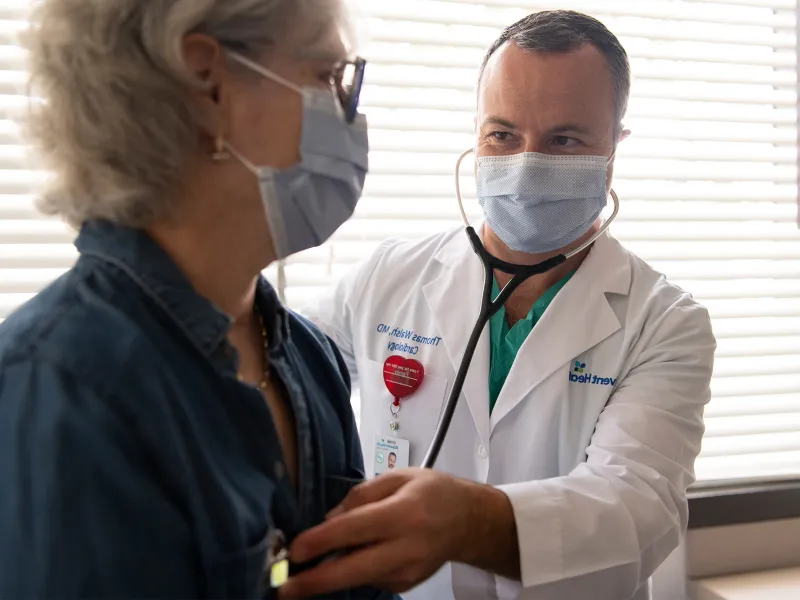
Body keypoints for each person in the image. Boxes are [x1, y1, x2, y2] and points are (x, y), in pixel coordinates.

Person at [289, 10, 716, 600]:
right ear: (477, 135)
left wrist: (469, 522)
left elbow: (636, 511)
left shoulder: (665, 323)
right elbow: (276, 381)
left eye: (565, 140)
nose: (525, 164)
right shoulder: (386, 278)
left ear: (614, 146)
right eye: (503, 135)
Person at [0, 1, 395, 599]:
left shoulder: (307, 359)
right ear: (208, 83)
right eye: (329, 78)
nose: (352, 118)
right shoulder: (64, 385)